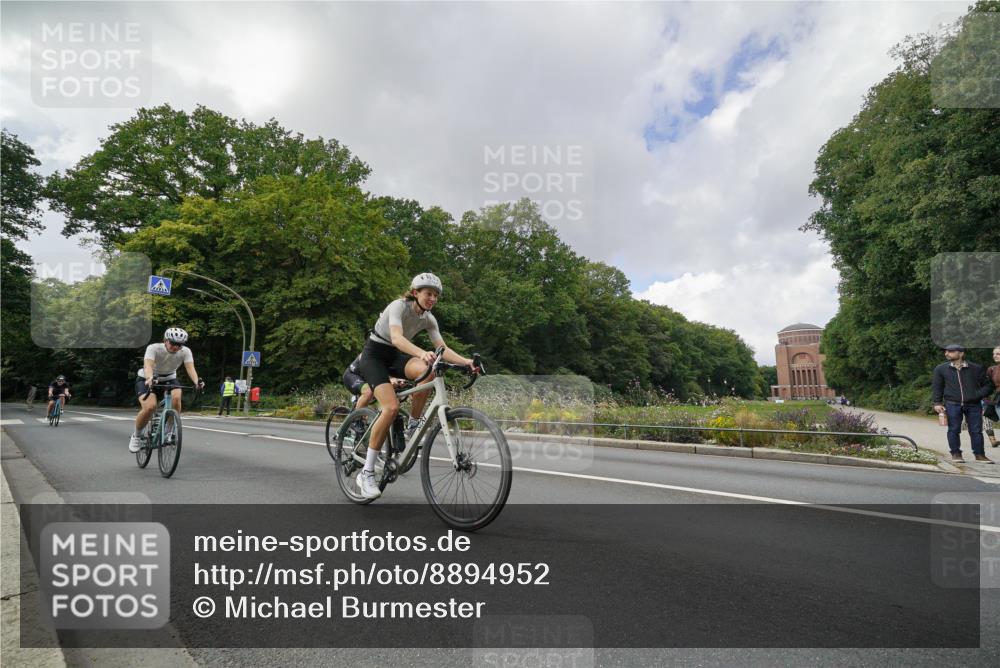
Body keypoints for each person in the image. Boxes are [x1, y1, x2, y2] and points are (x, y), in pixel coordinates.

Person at [354, 273, 477, 499]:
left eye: (436, 295)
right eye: (428, 293)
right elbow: (397, 338)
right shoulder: (398, 306)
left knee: (427, 372)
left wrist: (466, 361)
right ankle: (367, 472)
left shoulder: (429, 319)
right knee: (390, 408)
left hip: (394, 357)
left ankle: (413, 424)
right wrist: (422, 352)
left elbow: (442, 348)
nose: (432, 298)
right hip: (374, 356)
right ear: (415, 293)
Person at [129, 327, 205, 453]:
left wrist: (197, 382)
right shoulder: (153, 348)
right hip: (147, 378)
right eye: (173, 343)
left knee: (176, 397)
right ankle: (136, 436)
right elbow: (148, 365)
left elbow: (190, 368)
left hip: (169, 378)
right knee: (150, 407)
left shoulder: (185, 351)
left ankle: (169, 430)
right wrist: (149, 378)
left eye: (179, 345)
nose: (176, 347)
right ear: (165, 341)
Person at [932, 344, 996, 463]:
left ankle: (980, 455)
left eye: (950, 351)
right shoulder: (940, 369)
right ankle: (956, 454)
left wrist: (976, 395)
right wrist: (937, 402)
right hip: (952, 404)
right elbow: (937, 387)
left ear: (961, 353)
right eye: (946, 351)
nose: (946, 353)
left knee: (976, 430)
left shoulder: (976, 368)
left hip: (974, 404)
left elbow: (989, 385)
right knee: (954, 429)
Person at [985, 346, 1000, 448]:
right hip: (998, 397)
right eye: (994, 354)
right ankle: (993, 440)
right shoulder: (992, 369)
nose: (994, 356)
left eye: (998, 354)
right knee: (986, 417)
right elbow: (988, 385)